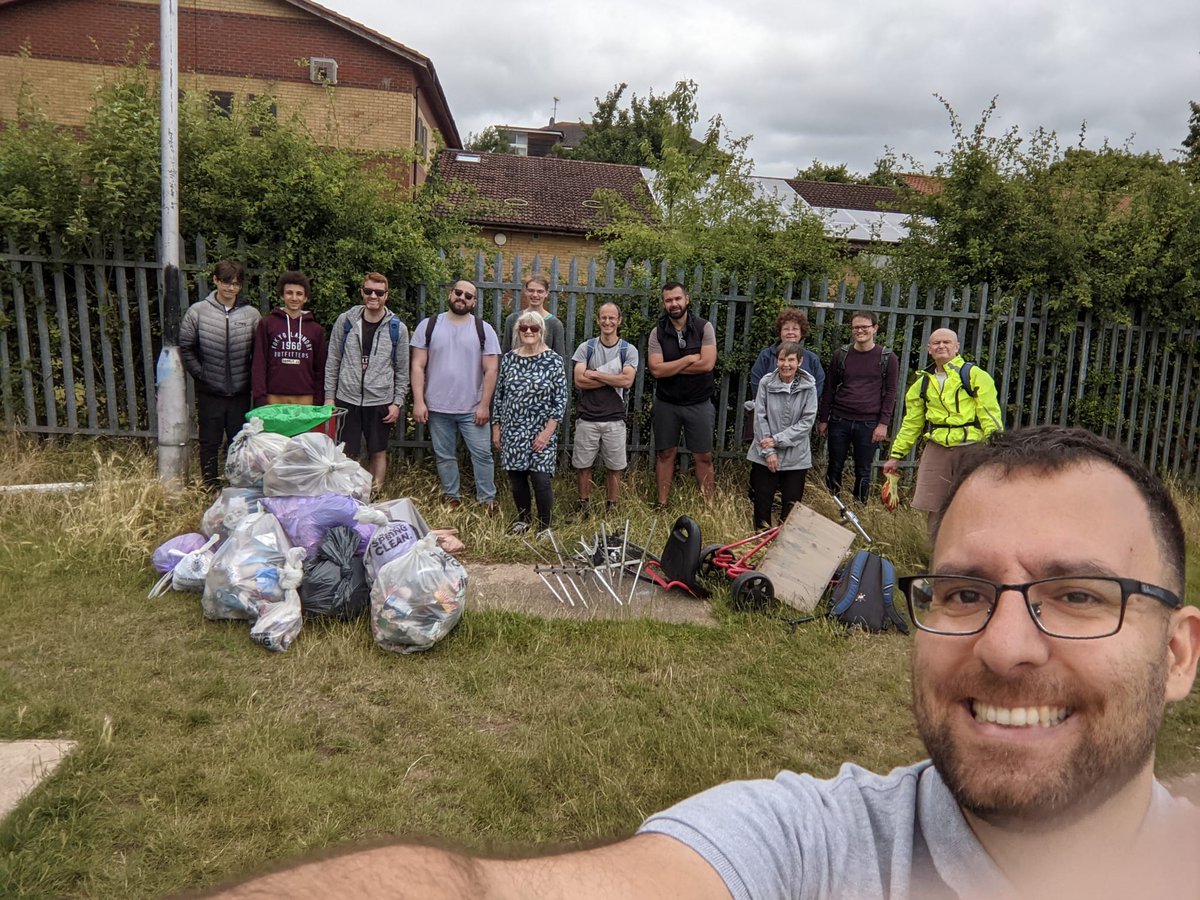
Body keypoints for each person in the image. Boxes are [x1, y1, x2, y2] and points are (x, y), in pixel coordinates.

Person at [209, 425, 1200, 899]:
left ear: (1180, 653)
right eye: (962, 594)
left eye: (1079, 595)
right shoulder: (809, 849)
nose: (1007, 645)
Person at [883, 327, 1003, 536]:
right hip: (937, 447)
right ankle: (936, 554)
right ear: (929, 349)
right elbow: (911, 423)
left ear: (956, 347)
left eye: (947, 342)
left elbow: (989, 414)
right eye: (936, 343)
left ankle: (971, 553)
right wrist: (896, 455)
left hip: (971, 447)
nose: (941, 346)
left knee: (972, 503)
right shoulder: (921, 384)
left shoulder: (974, 375)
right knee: (933, 506)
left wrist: (997, 447)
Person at [410, 279, 502, 511]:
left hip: (473, 408)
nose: (462, 298)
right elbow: (417, 366)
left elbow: (491, 369)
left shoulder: (484, 329)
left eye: (468, 296)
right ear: (450, 293)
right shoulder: (429, 326)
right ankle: (452, 497)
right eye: (458, 292)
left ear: (474, 302)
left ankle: (487, 501)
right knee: (444, 456)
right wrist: (419, 402)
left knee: (482, 456)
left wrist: (484, 405)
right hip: (438, 407)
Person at [178, 259, 260, 488]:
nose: (230, 288)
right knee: (209, 442)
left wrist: (251, 380)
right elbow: (186, 346)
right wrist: (201, 374)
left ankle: (236, 486)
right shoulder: (198, 311)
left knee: (239, 442)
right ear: (215, 280)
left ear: (240, 286)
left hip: (240, 393)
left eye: (235, 284)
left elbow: (259, 352)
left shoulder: (251, 314)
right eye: (226, 282)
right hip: (210, 391)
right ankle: (210, 486)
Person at [325, 272, 410, 493]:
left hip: (380, 400)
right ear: (362, 292)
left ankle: (376, 494)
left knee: (378, 451)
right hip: (347, 398)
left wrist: (397, 402)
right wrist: (329, 397)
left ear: (386, 295)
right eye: (369, 291)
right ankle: (346, 493)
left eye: (379, 292)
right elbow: (333, 360)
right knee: (345, 452)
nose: (373, 296)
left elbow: (402, 369)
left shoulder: (397, 328)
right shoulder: (346, 321)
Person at [491, 311, 568, 533]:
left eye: (533, 328)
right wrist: (497, 428)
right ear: (517, 331)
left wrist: (548, 432)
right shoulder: (509, 359)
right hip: (513, 429)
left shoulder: (553, 360)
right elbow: (500, 395)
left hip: (541, 430)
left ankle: (545, 527)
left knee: (541, 479)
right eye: (524, 327)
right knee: (517, 479)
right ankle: (523, 520)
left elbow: (560, 399)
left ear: (541, 331)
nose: (528, 331)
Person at [646, 282, 717, 508]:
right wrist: (687, 359)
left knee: (703, 456)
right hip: (667, 403)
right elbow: (656, 370)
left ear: (687, 299)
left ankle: (708, 505)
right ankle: (662, 503)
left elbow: (707, 364)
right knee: (665, 453)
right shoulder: (657, 332)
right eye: (668, 300)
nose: (673, 304)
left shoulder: (704, 327)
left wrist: (670, 367)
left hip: (699, 402)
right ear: (663, 303)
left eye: (677, 298)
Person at [818, 311, 900, 503]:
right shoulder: (841, 355)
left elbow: (891, 393)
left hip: (869, 423)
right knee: (834, 466)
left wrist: (883, 424)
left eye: (865, 327)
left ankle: (859, 509)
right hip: (839, 420)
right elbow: (829, 388)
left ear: (875, 328)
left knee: (863, 469)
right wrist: (823, 419)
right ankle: (832, 505)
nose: (860, 330)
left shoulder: (888, 358)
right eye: (856, 327)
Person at [571, 302, 638, 518]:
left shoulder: (628, 350)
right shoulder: (586, 348)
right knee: (583, 466)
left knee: (615, 467)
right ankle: (584, 507)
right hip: (587, 417)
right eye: (603, 318)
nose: (607, 322)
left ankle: (612, 507)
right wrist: (613, 378)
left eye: (612, 318)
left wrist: (596, 374)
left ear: (619, 321)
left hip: (614, 419)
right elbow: (580, 381)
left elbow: (627, 381)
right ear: (598, 320)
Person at [746, 341, 818, 530]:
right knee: (762, 504)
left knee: (791, 508)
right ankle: (760, 544)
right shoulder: (765, 383)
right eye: (782, 359)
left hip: (796, 456)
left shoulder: (809, 387)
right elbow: (760, 417)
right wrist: (769, 451)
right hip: (764, 454)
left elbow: (807, 422)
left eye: (791, 360)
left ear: (800, 362)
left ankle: (783, 549)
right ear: (776, 361)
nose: (786, 364)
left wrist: (778, 440)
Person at [251, 270, 327, 409]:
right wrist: (260, 398)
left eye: (299, 294)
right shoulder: (267, 324)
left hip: (306, 398)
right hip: (273, 397)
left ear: (305, 298)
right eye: (289, 293)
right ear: (282, 295)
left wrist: (318, 399)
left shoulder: (315, 330)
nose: (294, 298)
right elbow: (259, 363)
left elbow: (320, 368)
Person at [500, 274, 566, 360]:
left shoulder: (555, 324)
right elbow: (505, 352)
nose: (535, 295)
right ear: (525, 291)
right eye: (531, 290)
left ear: (546, 293)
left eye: (540, 291)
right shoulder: (512, 319)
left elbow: (560, 359)